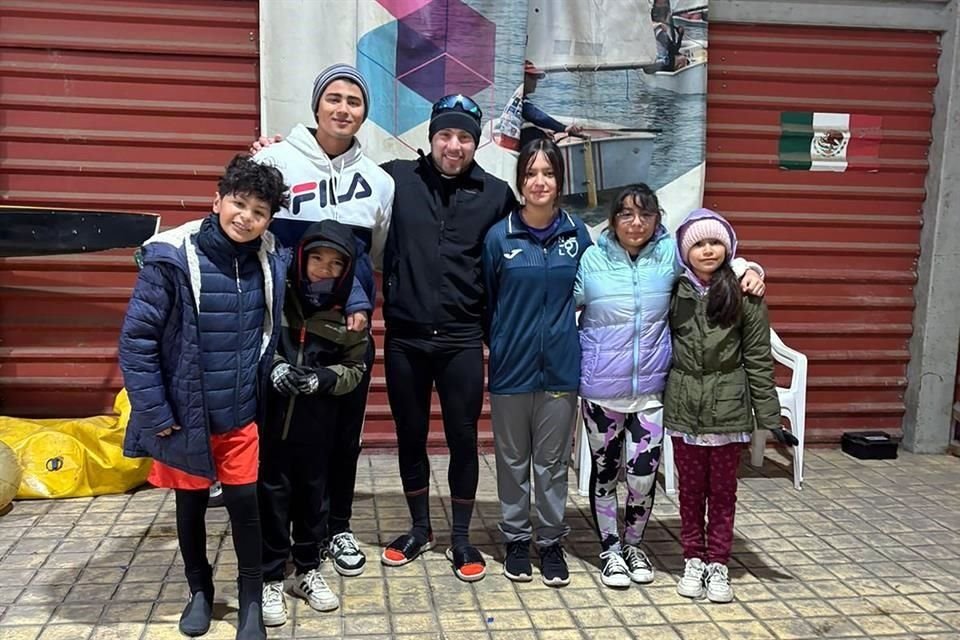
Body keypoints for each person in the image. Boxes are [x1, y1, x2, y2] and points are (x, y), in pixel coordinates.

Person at [119, 155, 289, 640]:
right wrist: (155, 413)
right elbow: (137, 342)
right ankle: (199, 591)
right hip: (182, 418)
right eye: (238, 203)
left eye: (259, 211)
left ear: (270, 218)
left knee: (245, 509)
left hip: (239, 417)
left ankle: (252, 600)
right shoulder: (172, 258)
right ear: (216, 200)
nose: (246, 218)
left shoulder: (270, 258)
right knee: (189, 509)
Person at [575, 185, 765, 590]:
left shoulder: (669, 258)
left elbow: (713, 264)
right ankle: (610, 550)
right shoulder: (590, 259)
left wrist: (752, 268)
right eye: (626, 214)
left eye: (645, 214)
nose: (636, 223)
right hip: (600, 390)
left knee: (642, 476)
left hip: (652, 390)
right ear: (612, 220)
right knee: (605, 472)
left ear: (658, 219)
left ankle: (634, 544)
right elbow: (560, 302)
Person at [253, 63, 395, 578]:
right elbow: (242, 222)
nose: (343, 109)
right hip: (282, 330)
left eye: (354, 102)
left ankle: (335, 528)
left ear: (364, 114)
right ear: (316, 106)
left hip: (344, 337)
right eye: (333, 98)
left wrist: (356, 301)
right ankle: (276, 541)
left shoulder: (379, 182)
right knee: (281, 439)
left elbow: (371, 253)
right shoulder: (273, 161)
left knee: (341, 437)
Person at [378, 94, 517, 582]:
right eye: (445, 135)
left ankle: (460, 537)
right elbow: (335, 184)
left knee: (462, 439)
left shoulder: (497, 194)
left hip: (461, 339)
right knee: (410, 437)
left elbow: (535, 237)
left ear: (475, 144)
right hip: (406, 338)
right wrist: (272, 157)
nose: (453, 146)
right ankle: (420, 529)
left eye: (464, 138)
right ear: (431, 137)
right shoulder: (394, 179)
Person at [664, 208, 790, 604]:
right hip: (685, 410)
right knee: (689, 492)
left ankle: (718, 562)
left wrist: (769, 418)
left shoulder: (744, 293)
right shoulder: (674, 290)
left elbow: (757, 357)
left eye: (716, 242)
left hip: (728, 411)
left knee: (721, 493)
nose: (707, 250)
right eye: (698, 243)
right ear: (685, 251)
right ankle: (693, 559)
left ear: (728, 248)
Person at [482, 138, 592, 586]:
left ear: (560, 181)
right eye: (531, 173)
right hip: (511, 368)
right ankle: (515, 538)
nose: (539, 182)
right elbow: (487, 301)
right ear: (520, 181)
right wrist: (504, 341)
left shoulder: (578, 235)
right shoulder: (498, 237)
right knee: (511, 459)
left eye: (548, 173)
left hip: (561, 369)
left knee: (551, 462)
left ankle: (549, 542)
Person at [258, 219, 371, 625]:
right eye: (317, 259)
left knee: (313, 503)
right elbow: (254, 339)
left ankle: (307, 571)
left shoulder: (347, 317)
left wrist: (323, 379)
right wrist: (273, 368)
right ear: (302, 258)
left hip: (318, 429)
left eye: (335, 264)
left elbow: (355, 369)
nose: (324, 269)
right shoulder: (276, 296)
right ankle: (271, 577)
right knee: (271, 501)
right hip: (272, 428)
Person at [497, 60, 583, 150]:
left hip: (506, 139)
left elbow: (531, 118)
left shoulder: (516, 96)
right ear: (524, 78)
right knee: (541, 138)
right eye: (533, 78)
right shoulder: (522, 101)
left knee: (538, 132)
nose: (536, 82)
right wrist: (564, 128)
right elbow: (538, 117)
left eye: (536, 78)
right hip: (513, 143)